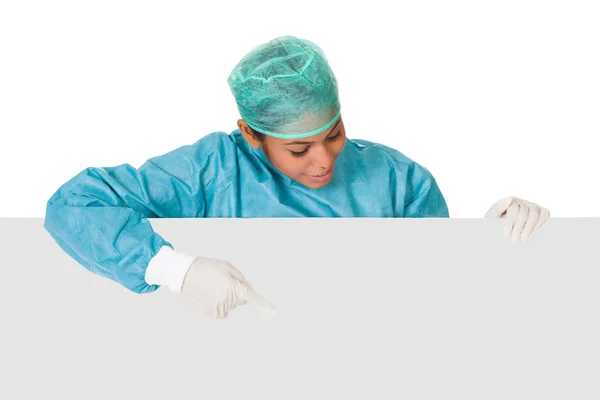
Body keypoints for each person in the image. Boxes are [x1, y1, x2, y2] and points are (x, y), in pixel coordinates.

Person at [43, 35, 551, 319]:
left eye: (334, 133)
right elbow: (74, 205)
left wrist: (490, 240)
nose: (323, 160)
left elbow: (440, 293)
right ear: (250, 133)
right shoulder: (209, 171)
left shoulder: (398, 177)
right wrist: (174, 269)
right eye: (298, 148)